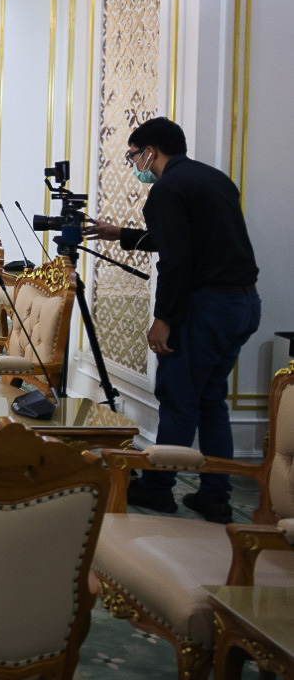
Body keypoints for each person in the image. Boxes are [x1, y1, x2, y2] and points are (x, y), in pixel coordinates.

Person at [86, 117, 260, 523]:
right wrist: (121, 233)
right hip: (242, 304)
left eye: (133, 155)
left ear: (151, 152)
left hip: (205, 308)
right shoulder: (214, 179)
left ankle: (158, 488)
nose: (134, 164)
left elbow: (177, 260)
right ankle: (215, 495)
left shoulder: (166, 189)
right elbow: (187, 240)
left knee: (179, 398)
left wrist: (163, 318)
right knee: (211, 399)